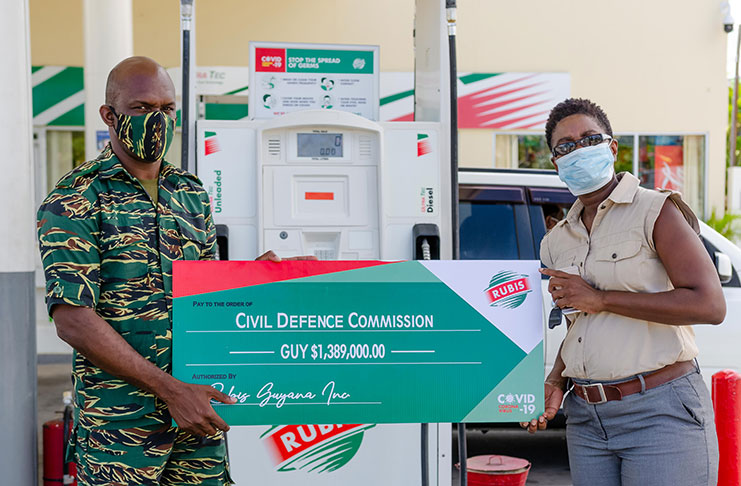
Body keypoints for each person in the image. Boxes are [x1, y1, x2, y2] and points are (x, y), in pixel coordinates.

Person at [37, 56, 307, 486]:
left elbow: (205, 296)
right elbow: (73, 320)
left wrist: (257, 278)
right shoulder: (74, 198)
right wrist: (170, 390)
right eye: (142, 108)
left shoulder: (190, 192)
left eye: (166, 109)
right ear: (110, 115)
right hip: (120, 431)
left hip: (197, 417)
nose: (157, 120)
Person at [521, 98, 724, 486]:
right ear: (555, 163)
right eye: (565, 146)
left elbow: (710, 303)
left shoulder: (655, 210)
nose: (578, 150)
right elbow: (580, 325)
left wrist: (601, 298)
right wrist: (556, 380)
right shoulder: (556, 242)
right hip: (586, 419)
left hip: (660, 413)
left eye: (589, 138)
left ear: (612, 147)